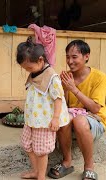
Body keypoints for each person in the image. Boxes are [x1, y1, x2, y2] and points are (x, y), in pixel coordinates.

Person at [48, 40, 106, 179]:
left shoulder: (99, 77)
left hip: (94, 120)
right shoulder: (66, 77)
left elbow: (95, 108)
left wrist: (73, 89)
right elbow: (64, 106)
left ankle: (89, 166)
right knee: (63, 116)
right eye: (68, 57)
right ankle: (67, 162)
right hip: (71, 119)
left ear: (86, 56)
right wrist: (65, 89)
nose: (70, 61)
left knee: (79, 120)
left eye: (74, 57)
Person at [16, 37, 70, 179]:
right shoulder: (35, 73)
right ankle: (36, 171)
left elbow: (58, 98)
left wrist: (56, 119)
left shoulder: (52, 77)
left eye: (29, 67)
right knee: (27, 144)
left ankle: (41, 177)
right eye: (24, 68)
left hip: (44, 121)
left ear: (40, 60)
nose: (27, 70)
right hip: (33, 119)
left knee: (41, 150)